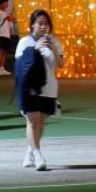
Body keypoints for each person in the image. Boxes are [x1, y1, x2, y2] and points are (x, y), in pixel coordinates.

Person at [16, 9, 65, 170]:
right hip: (31, 88)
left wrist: (54, 49)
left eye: (46, 24)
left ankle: (30, 151)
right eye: (40, 23)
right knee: (33, 122)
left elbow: (61, 64)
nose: (44, 27)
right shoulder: (25, 42)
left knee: (40, 122)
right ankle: (38, 156)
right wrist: (35, 48)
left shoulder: (54, 41)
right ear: (32, 25)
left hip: (49, 87)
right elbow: (20, 65)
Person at [0, 0, 14, 76]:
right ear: (1, 4)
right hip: (1, 35)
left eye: (7, 2)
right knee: (1, 51)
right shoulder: (0, 13)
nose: (7, 4)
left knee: (4, 52)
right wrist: (14, 10)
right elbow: (11, 18)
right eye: (6, 2)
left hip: (6, 35)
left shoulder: (4, 12)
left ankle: (2, 68)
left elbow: (11, 19)